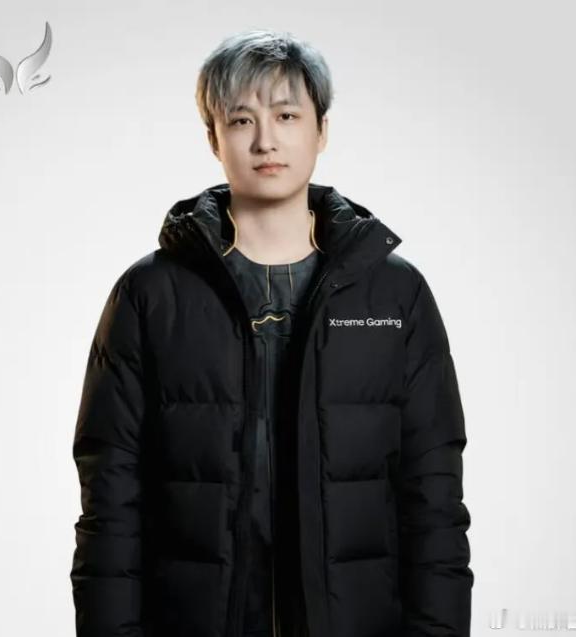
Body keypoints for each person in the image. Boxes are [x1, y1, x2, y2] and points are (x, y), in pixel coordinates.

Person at [70, 29, 474, 637]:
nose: (266, 140)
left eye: (287, 115)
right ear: (214, 138)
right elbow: (110, 501)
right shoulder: (150, 296)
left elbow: (434, 498)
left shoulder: (394, 295)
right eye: (241, 120)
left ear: (321, 130)